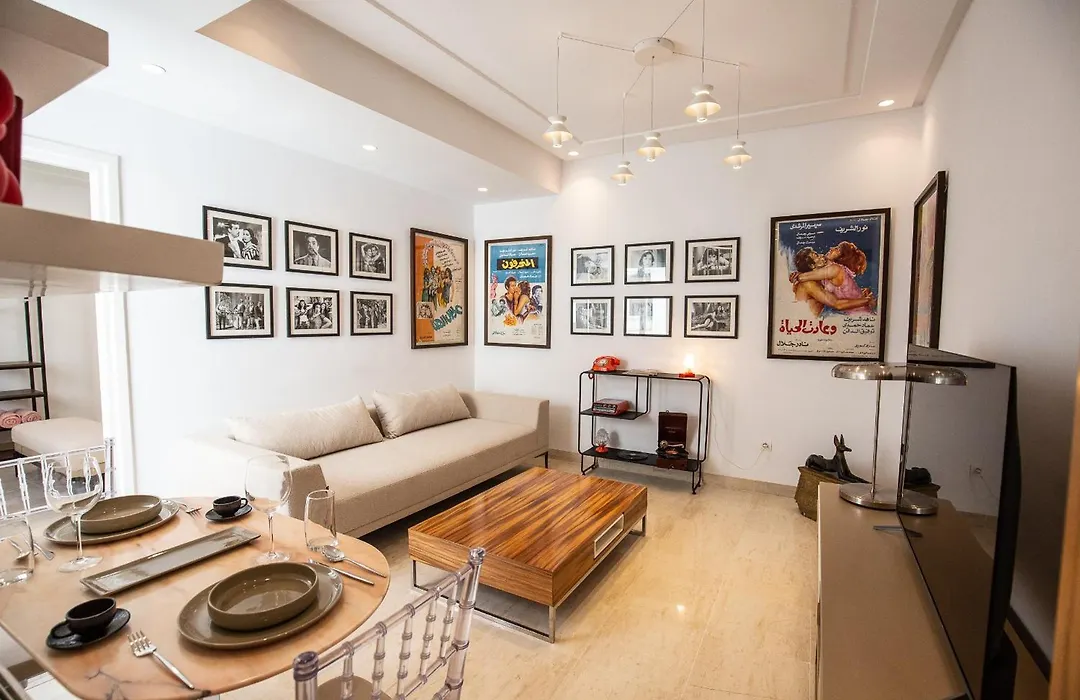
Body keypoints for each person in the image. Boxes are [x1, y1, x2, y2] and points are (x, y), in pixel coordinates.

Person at [789, 246, 875, 316]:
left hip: (859, 315)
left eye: (837, 249)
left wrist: (866, 300)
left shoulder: (833, 270)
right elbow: (837, 303)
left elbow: (838, 303)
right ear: (812, 265)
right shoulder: (812, 282)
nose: (822, 255)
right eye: (817, 255)